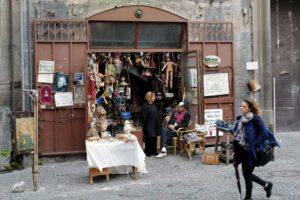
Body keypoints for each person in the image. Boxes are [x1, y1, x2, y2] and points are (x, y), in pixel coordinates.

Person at [233, 99, 278, 200]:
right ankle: (266, 185)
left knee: (247, 174)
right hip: (242, 151)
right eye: (241, 106)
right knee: (246, 174)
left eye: (244, 106)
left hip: (252, 152)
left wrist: (253, 144)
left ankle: (248, 198)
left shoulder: (256, 119)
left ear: (249, 108)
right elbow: (236, 136)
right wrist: (234, 152)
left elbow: (264, 134)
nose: (241, 108)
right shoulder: (241, 119)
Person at [141, 92, 161, 157]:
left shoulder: (154, 104)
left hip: (155, 123)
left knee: (154, 137)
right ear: (149, 97)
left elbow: (156, 114)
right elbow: (143, 116)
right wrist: (146, 123)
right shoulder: (145, 105)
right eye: (153, 97)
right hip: (148, 124)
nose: (154, 98)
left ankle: (154, 151)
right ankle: (148, 151)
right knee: (149, 137)